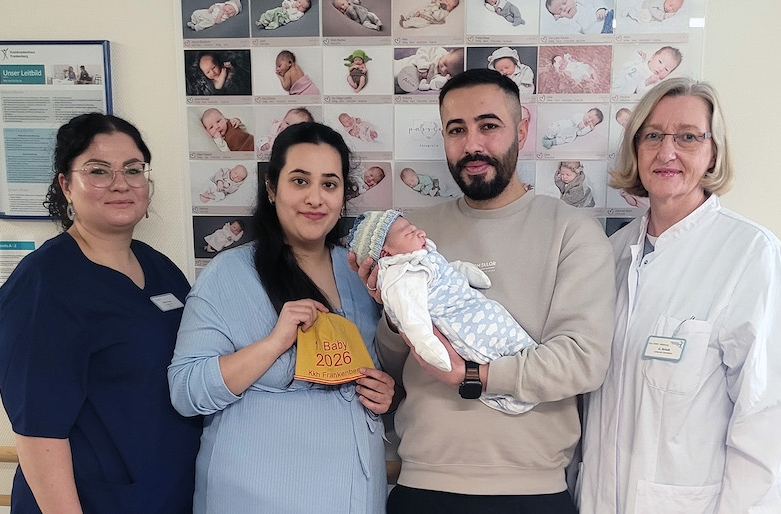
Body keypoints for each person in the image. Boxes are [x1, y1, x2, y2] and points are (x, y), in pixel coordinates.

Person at [351, 68, 614, 513]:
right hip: (422, 484)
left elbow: (582, 362)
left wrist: (474, 375)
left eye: (488, 126)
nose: (472, 145)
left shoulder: (572, 231)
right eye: (457, 130)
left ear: (522, 129)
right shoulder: (412, 234)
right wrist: (395, 314)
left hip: (532, 492)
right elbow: (392, 369)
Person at [577, 77, 781, 513]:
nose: (666, 152)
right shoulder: (611, 254)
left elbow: (765, 416)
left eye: (688, 137)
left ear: (713, 152)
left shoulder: (749, 253)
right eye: (652, 136)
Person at [169, 121, 395, 513]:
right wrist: (274, 344)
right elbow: (186, 392)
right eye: (299, 181)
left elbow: (382, 368)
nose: (315, 198)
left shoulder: (360, 274)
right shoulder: (228, 274)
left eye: (329, 184)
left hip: (353, 492)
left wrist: (385, 392)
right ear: (272, 189)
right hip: (256, 496)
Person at [0, 113, 202, 513]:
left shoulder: (161, 270)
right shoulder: (44, 284)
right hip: (92, 500)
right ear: (66, 185)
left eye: (133, 170)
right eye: (98, 171)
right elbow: (38, 430)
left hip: (166, 492)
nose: (121, 183)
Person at [348, 210, 538, 414]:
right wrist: (428, 344)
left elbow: (446, 270)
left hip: (473, 307)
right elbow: (413, 318)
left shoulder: (422, 257)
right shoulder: (402, 275)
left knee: (512, 338)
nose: (421, 232)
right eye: (409, 233)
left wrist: (465, 272)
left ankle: (525, 367)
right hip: (461, 321)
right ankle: (517, 387)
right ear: (386, 254)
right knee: (492, 336)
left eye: (414, 228)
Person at [613, 46, 682, 95]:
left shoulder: (654, 82)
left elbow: (640, 92)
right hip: (617, 78)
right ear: (653, 56)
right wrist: (638, 55)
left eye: (666, 69)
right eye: (660, 62)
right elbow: (627, 65)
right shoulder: (642, 61)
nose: (661, 68)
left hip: (624, 91)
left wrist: (648, 82)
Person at [394, 47, 464, 94]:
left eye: (448, 72)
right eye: (445, 64)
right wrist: (423, 66)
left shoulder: (442, 76)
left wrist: (444, 80)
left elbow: (433, 85)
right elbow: (422, 50)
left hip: (407, 84)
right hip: (406, 65)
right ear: (450, 52)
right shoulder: (437, 52)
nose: (443, 69)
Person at [545, 0, 611, 34]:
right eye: (560, 11)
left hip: (608, 17)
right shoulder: (572, 21)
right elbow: (575, 29)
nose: (564, 8)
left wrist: (600, 8)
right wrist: (560, 20)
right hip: (602, 32)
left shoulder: (581, 2)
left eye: (564, 2)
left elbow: (595, 1)